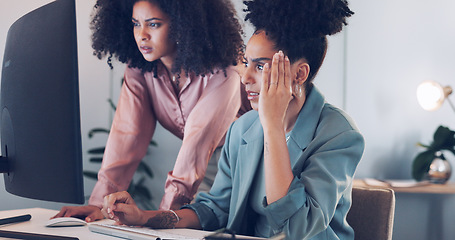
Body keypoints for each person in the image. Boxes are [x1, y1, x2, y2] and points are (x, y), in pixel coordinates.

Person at [100, 0, 365, 239]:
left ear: (299, 74)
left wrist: (272, 126)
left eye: (260, 66)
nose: (245, 77)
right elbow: (215, 209)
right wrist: (144, 218)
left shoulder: (340, 136)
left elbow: (297, 228)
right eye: (246, 64)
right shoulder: (243, 129)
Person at [54, 0, 250, 221]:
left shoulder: (223, 69)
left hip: (244, 162)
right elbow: (127, 135)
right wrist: (101, 205)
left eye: (153, 24)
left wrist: (161, 220)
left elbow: (198, 141)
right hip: (196, 163)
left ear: (183, 24)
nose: (142, 35)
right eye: (136, 24)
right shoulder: (141, 69)